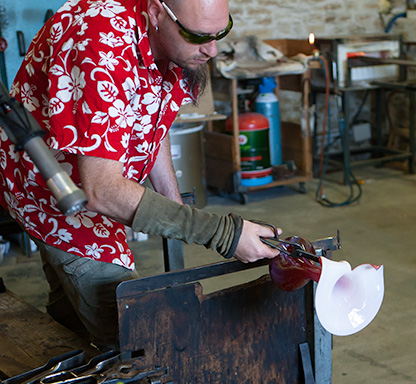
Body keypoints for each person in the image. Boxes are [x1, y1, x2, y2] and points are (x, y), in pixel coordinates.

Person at [0, 0, 281, 350]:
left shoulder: (168, 43)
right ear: (157, 13)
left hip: (93, 184)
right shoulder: (104, 40)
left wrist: (173, 207)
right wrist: (224, 234)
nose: (211, 50)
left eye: (220, 34)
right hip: (56, 194)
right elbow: (102, 190)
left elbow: (151, 118)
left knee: (70, 326)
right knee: (135, 341)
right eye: (197, 36)